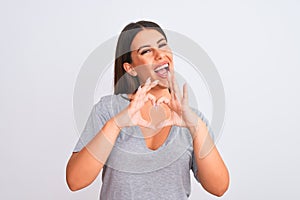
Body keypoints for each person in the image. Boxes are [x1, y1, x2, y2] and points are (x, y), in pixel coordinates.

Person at [66, 20, 229, 199]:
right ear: (131, 68)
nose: (160, 55)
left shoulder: (192, 120)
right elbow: (75, 181)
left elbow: (219, 187)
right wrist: (116, 125)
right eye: (146, 51)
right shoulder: (108, 110)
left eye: (162, 46)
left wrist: (197, 128)